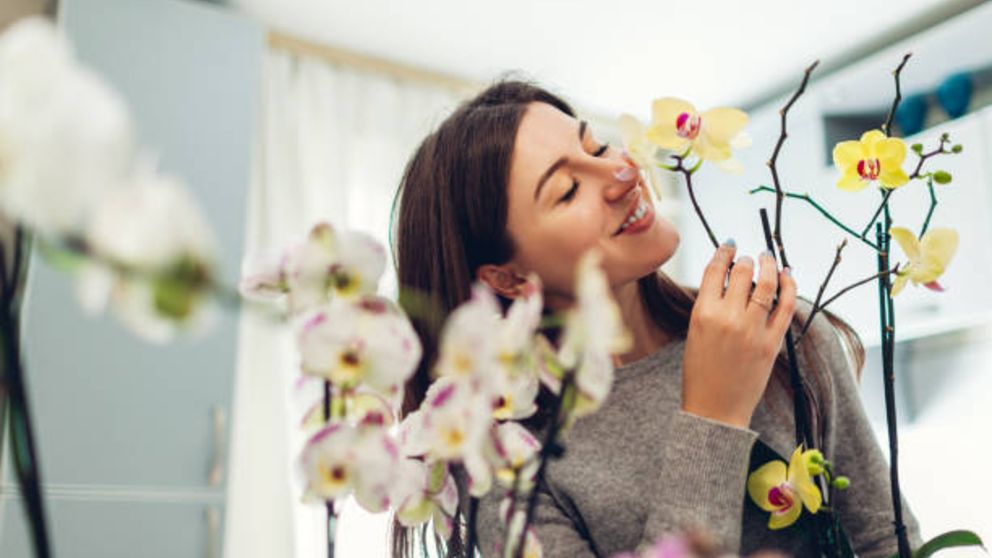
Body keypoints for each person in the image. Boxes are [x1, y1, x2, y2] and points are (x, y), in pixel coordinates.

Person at [390, 80, 920, 557]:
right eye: (568, 190)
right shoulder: (507, 463)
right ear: (506, 278)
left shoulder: (773, 330)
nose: (621, 172)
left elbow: (885, 541)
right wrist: (713, 414)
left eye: (596, 146)